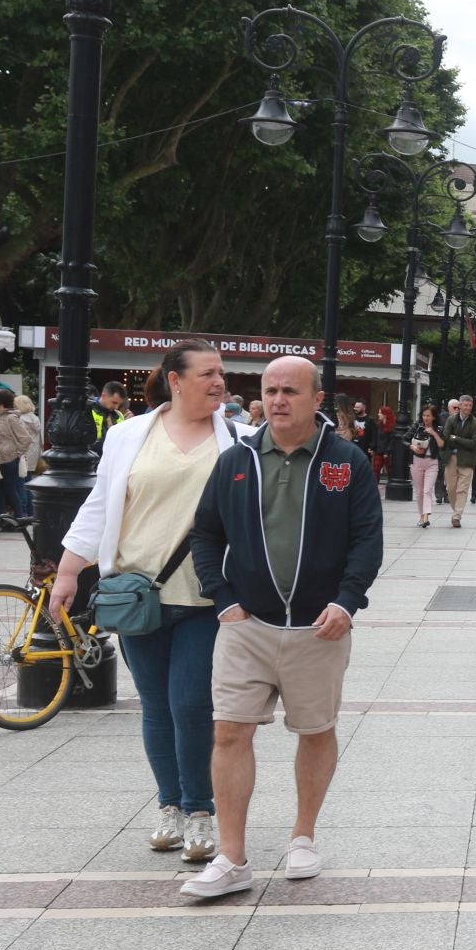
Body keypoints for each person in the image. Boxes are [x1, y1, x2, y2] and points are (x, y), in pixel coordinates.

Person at [179, 356, 383, 897]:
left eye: (290, 390)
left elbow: (367, 539)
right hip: (247, 623)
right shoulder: (237, 459)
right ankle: (232, 857)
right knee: (229, 730)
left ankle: (302, 836)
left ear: (319, 400)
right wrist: (222, 599)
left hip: (320, 627)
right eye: (270, 390)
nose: (277, 400)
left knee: (314, 731)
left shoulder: (346, 461)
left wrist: (346, 602)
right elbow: (205, 533)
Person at [50, 339, 248, 867]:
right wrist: (69, 569)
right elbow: (100, 504)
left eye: (221, 373)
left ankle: (201, 811)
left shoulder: (239, 439)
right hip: (138, 596)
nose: (219, 383)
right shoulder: (126, 436)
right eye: (207, 373)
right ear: (174, 379)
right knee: (156, 707)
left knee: (191, 704)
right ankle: (170, 807)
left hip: (206, 598)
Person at [439, 395, 476, 528]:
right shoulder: (451, 419)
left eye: (470, 405)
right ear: (460, 406)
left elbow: (473, 444)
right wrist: (462, 441)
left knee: (462, 489)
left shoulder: (475, 423)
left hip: (467, 459)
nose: (468, 408)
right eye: (465, 405)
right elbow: (445, 437)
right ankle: (456, 510)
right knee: (450, 488)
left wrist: (456, 438)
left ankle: (457, 516)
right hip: (451, 458)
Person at [0, 390, 33, 518]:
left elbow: (26, 438)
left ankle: (19, 516)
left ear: (0, 403)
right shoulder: (0, 417)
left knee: (10, 490)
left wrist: (17, 452)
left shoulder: (10, 418)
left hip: (9, 460)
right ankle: (1, 519)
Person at [407, 405, 445, 528]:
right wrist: (412, 447)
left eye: (428, 415)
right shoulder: (417, 426)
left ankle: (426, 517)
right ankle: (421, 516)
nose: (426, 418)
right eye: (424, 415)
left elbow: (441, 444)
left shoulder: (438, 429)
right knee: (419, 493)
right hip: (417, 461)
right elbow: (404, 439)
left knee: (427, 490)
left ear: (434, 417)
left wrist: (433, 433)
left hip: (432, 463)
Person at [16, 394, 42, 508]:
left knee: (21, 484)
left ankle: (23, 510)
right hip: (33, 454)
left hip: (23, 455)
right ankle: (31, 510)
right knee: (29, 482)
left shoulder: (20, 419)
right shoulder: (35, 418)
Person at [90, 380, 125, 454]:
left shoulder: (119, 415)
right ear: (103, 396)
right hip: (93, 460)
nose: (116, 407)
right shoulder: (88, 411)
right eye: (114, 402)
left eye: (119, 404)